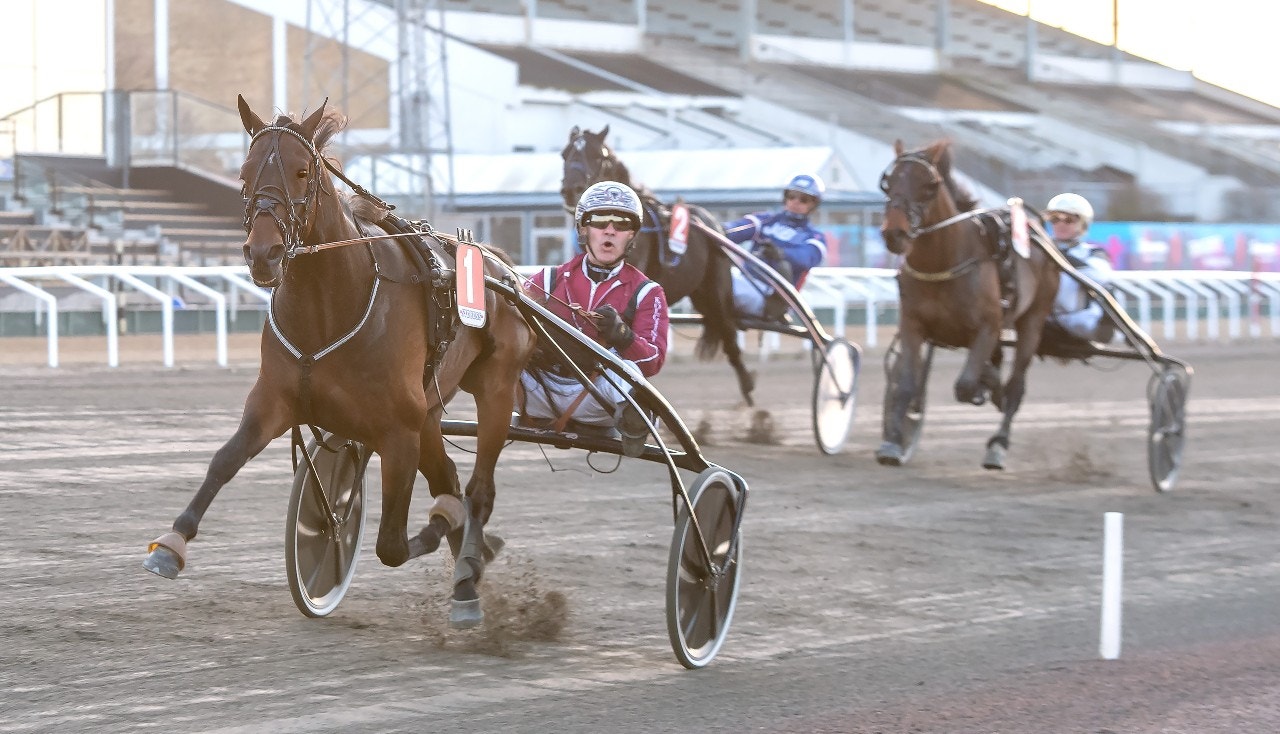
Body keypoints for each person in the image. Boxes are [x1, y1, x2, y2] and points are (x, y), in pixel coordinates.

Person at [519, 181, 670, 458]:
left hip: (598, 399)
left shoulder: (648, 292)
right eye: (600, 220)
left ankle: (636, 422)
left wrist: (623, 336)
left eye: (622, 223)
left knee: (630, 372)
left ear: (631, 236)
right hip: (538, 392)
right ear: (584, 230)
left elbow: (653, 361)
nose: (610, 230)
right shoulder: (547, 280)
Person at [724, 173, 828, 321]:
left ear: (813, 204)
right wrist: (713, 228)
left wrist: (780, 253)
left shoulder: (814, 237)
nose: (796, 202)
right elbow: (732, 231)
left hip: (771, 298)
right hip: (745, 281)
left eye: (803, 199)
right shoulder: (766, 220)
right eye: (792, 196)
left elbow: (806, 258)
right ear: (785, 198)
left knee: (720, 284)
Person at [1044, 192, 1115, 343]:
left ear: (1082, 224)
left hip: (1079, 322)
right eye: (1055, 219)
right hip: (1043, 318)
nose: (1061, 224)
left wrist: (1059, 256)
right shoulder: (1041, 250)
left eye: (1069, 220)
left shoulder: (1093, 252)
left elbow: (1100, 277)